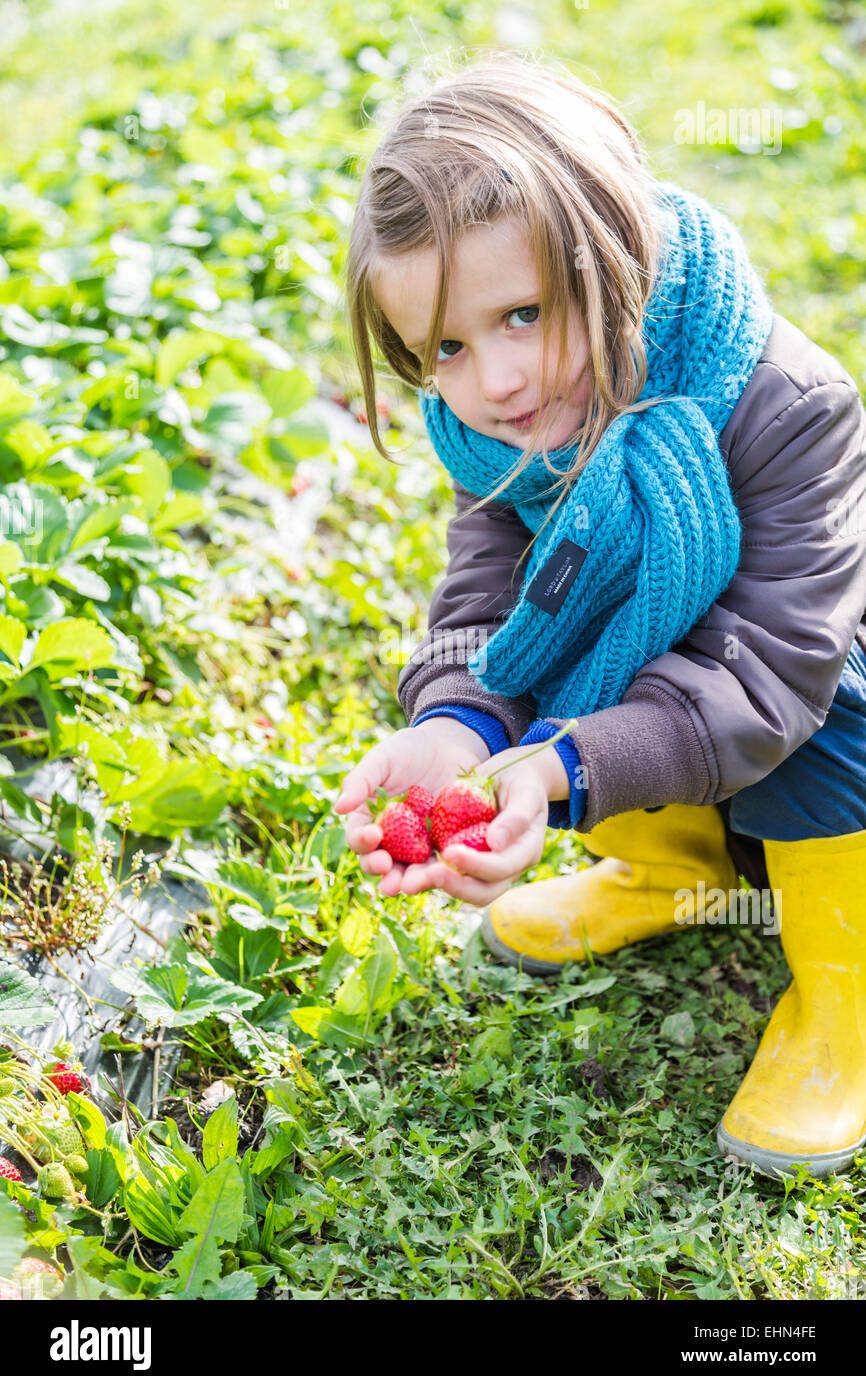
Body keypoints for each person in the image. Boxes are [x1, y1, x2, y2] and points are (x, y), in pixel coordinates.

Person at [333, 54, 866, 1178]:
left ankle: (840, 1009)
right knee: (572, 630)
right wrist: (461, 730)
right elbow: (488, 592)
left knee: (836, 717)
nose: (499, 380)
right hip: (683, 699)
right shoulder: (506, 430)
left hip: (801, 678)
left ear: (616, 255)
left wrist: (564, 766)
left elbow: (775, 673)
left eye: (523, 312)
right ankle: (673, 870)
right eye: (448, 348)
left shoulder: (784, 405)